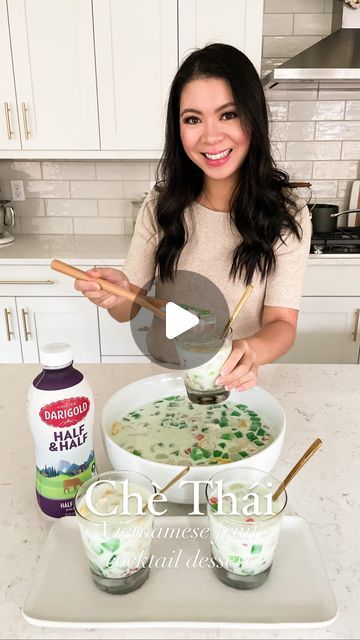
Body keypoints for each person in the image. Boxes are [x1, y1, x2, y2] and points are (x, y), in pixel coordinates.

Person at [75, 43, 311, 392]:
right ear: (178, 128)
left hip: (239, 385)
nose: (211, 136)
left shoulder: (286, 215)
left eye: (228, 114)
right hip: (166, 383)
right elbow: (128, 311)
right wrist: (118, 293)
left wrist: (248, 350)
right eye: (193, 119)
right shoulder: (160, 206)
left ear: (253, 117)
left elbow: (281, 323)